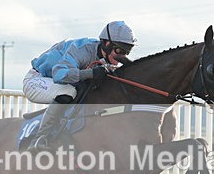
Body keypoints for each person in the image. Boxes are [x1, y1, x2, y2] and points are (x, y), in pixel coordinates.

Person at [22, 21, 136, 152]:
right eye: (119, 50)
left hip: (57, 83)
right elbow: (59, 75)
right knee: (68, 91)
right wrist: (91, 73)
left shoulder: (106, 56)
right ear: (106, 43)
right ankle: (39, 139)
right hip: (37, 80)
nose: (121, 57)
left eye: (126, 52)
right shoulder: (82, 50)